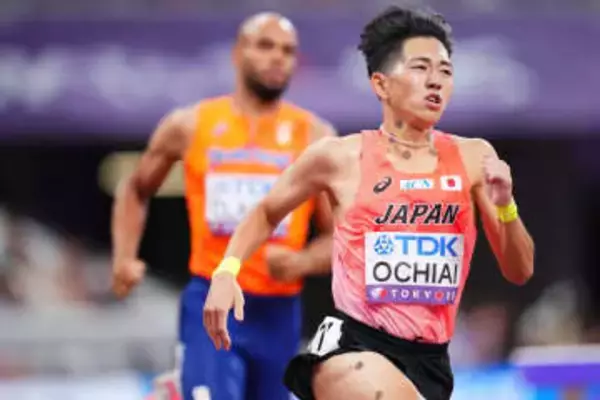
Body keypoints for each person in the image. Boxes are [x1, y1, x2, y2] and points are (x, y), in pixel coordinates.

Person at [203, 6, 535, 400]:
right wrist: (226, 272)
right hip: (352, 347)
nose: (436, 81)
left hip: (431, 360)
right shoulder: (339, 157)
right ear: (381, 84)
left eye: (445, 71)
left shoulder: (474, 158)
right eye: (420, 68)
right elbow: (265, 212)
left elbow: (519, 270)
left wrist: (505, 206)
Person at [111, 12, 337, 400]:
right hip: (211, 300)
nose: (278, 57)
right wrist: (124, 257)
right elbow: (135, 187)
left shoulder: (315, 137)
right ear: (237, 53)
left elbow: (341, 236)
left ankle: (178, 389)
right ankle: (192, 383)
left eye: (288, 51)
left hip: (278, 312)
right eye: (265, 46)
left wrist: (301, 262)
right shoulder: (191, 125)